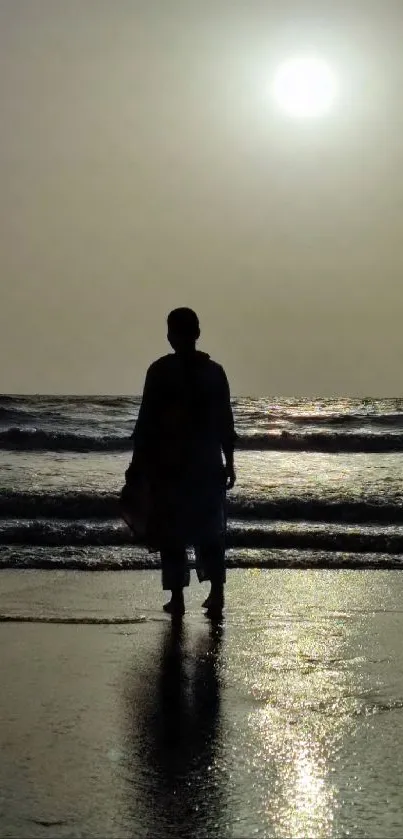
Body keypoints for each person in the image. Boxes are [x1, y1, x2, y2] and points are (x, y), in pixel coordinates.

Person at [126, 308, 236, 618]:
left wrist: (137, 464)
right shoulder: (214, 372)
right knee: (210, 530)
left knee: (171, 533)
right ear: (198, 333)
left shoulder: (160, 371)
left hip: (170, 464)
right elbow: (225, 422)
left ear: (171, 335)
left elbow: (145, 423)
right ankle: (216, 593)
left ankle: (177, 598)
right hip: (205, 462)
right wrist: (230, 462)